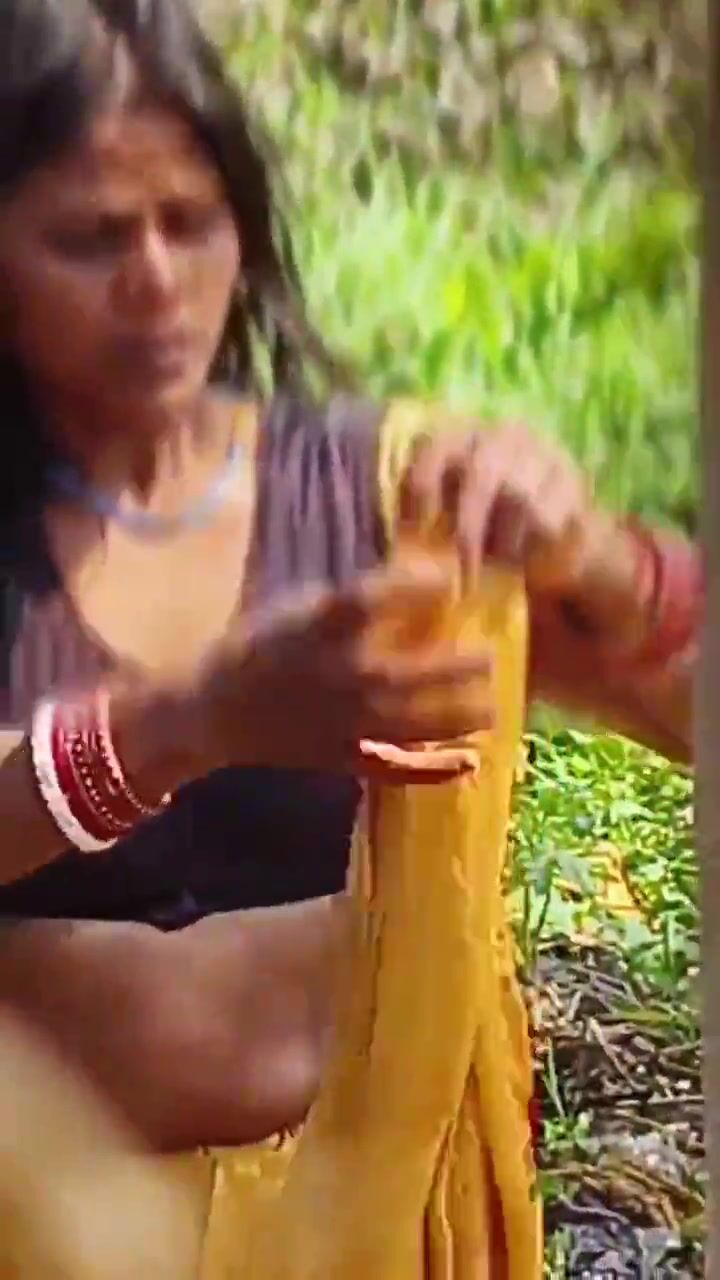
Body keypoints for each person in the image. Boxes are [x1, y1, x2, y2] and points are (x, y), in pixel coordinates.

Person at [0, 0, 699, 1151]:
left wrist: (607, 569)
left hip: (357, 1210)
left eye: (193, 221)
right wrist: (185, 725)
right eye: (90, 238)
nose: (158, 280)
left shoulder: (378, 498)